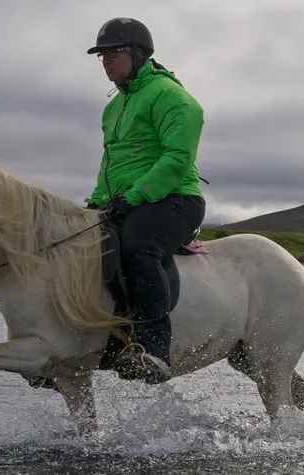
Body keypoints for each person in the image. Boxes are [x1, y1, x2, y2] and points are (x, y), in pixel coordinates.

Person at [84, 17, 206, 384]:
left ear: (138, 54)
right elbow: (113, 164)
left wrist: (132, 197)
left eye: (114, 52)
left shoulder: (171, 97)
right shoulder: (113, 107)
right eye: (101, 54)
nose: (106, 60)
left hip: (175, 198)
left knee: (137, 247)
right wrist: (95, 203)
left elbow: (176, 159)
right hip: (128, 199)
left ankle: (154, 350)